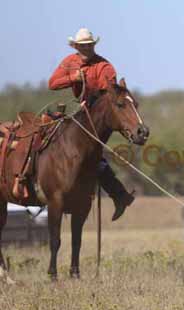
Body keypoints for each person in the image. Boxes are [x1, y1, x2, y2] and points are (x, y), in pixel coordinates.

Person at [48, 28, 134, 221]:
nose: (86, 48)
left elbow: (110, 93)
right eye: (83, 45)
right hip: (80, 110)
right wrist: (73, 78)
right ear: (76, 46)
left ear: (93, 45)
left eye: (89, 45)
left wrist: (93, 102)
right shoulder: (69, 62)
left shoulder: (104, 66)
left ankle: (117, 194)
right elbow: (52, 83)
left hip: (98, 114)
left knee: (93, 155)